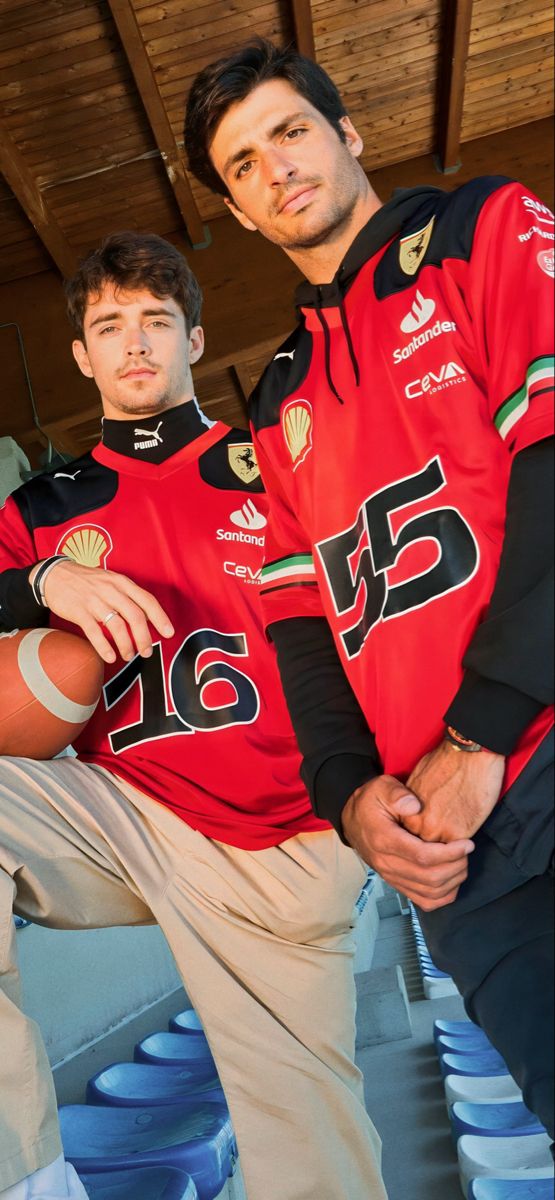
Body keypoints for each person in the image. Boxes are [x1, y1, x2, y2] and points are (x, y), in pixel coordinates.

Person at [184, 39, 555, 1137]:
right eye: (242, 165)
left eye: (289, 132)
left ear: (347, 135)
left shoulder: (480, 231)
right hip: (454, 854)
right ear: (240, 214)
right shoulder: (279, 401)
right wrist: (351, 800)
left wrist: (480, 737)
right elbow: (302, 626)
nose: (274, 169)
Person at [0, 232, 394, 1200]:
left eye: (156, 323)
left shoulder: (276, 467)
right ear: (82, 355)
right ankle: (31, 1178)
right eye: (110, 327)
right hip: (119, 813)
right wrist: (46, 580)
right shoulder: (42, 511)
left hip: (279, 837)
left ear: (193, 339)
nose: (135, 345)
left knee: (315, 1165)